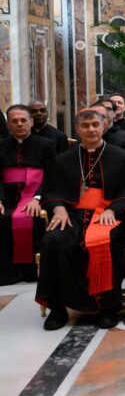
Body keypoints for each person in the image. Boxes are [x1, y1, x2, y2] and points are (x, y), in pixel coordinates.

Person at [36, 109, 125, 330]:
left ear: (104, 126)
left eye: (95, 124)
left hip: (107, 215)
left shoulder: (122, 157)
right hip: (72, 216)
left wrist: (114, 209)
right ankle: (58, 308)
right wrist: (58, 208)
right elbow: (51, 191)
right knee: (52, 241)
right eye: (85, 126)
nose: (91, 129)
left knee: (108, 242)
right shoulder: (63, 159)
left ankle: (107, 308)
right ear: (77, 129)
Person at [0, 105, 55, 284]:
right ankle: (8, 274)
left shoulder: (47, 145)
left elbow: (52, 175)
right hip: (7, 200)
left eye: (23, 120)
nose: (20, 124)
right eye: (14, 121)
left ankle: (34, 271)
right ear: (8, 124)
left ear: (31, 122)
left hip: (37, 198)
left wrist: (38, 198)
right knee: (3, 219)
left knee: (36, 218)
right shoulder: (1, 146)